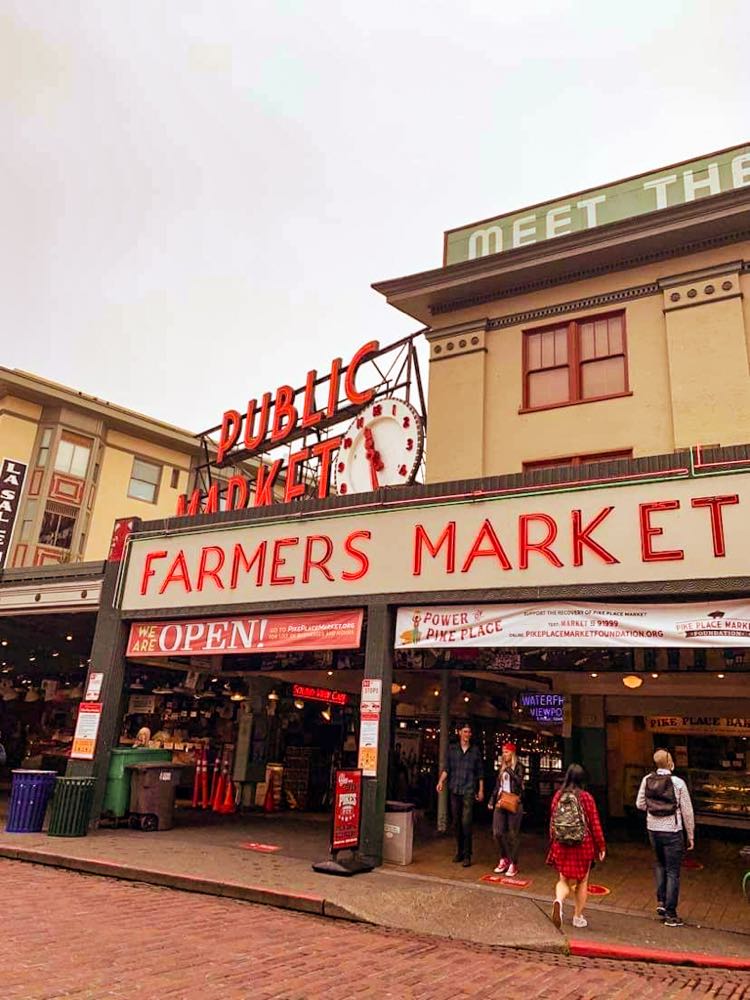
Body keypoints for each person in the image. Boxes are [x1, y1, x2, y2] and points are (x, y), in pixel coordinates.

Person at [636, 749, 695, 927]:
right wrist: (690, 834)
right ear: (670, 762)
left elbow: (639, 804)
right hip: (673, 831)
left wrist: (653, 810)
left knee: (660, 864)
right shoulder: (678, 783)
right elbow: (687, 811)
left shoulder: (647, 779)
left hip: (652, 829)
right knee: (673, 871)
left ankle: (661, 903)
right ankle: (671, 913)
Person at [547, 763, 606, 930]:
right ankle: (578, 917)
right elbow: (594, 824)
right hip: (583, 845)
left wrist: (553, 842)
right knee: (582, 881)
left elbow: (552, 821)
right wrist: (601, 846)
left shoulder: (558, 796)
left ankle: (559, 900)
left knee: (563, 879)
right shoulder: (586, 797)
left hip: (561, 843)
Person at [436, 722, 484, 868]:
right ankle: (459, 851)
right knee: (456, 822)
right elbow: (447, 768)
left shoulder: (475, 751)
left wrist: (481, 790)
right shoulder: (452, 749)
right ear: (459, 733)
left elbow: (480, 772)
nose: (467, 734)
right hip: (455, 788)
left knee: (466, 822)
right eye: (465, 731)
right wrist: (440, 781)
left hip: (469, 789)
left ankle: (467, 854)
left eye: (469, 732)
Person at [487, 741, 525, 877]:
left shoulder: (520, 767)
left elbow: (520, 782)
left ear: (512, 753)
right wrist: (492, 799)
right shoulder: (501, 767)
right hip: (501, 800)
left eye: (507, 752)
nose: (504, 755)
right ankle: (504, 858)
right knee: (497, 832)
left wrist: (508, 770)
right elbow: (498, 786)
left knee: (513, 834)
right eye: (503, 752)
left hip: (514, 801)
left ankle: (513, 863)